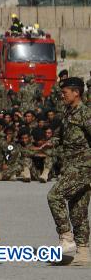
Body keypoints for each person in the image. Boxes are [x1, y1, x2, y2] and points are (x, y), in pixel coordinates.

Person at [45, 77, 90, 266]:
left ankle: (66, 237)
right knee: (78, 210)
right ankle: (83, 251)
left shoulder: (85, 114)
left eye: (65, 92)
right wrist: (48, 144)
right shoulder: (68, 112)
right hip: (70, 165)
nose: (62, 95)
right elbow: (61, 136)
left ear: (76, 93)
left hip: (83, 166)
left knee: (54, 196)